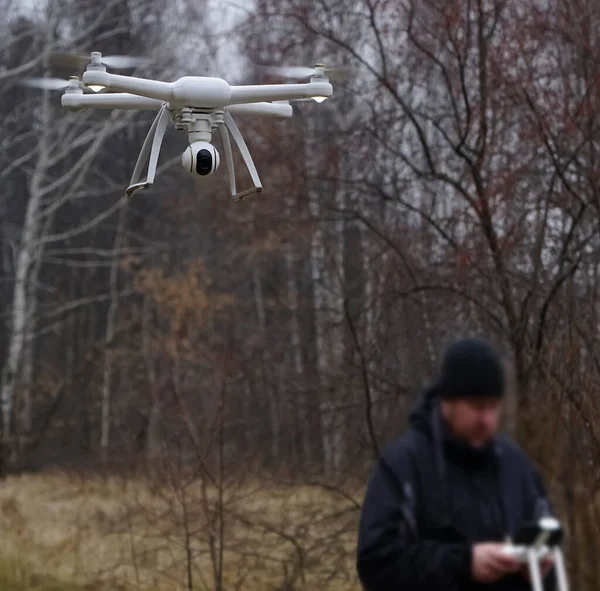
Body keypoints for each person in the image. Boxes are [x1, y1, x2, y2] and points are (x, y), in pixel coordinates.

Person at [356, 337, 557, 591]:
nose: (486, 419)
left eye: (493, 407)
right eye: (476, 406)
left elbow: (546, 531)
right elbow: (376, 564)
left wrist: (541, 562)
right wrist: (464, 563)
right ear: (447, 402)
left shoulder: (515, 465)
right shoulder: (403, 465)